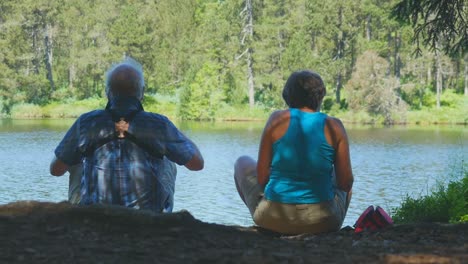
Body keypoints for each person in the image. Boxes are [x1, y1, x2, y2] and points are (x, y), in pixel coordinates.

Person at [50, 58, 204, 212]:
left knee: (76, 159)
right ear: (142, 93)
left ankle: (80, 212)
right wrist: (175, 133)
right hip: (146, 219)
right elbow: (197, 163)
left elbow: (55, 169)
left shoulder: (86, 122)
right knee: (168, 159)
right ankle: (162, 214)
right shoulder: (159, 125)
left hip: (97, 218)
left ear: (107, 93)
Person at [234, 70, 353, 235]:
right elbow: (346, 184)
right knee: (340, 173)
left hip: (273, 218)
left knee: (242, 162)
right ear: (320, 97)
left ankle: (262, 218)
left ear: (288, 97)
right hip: (323, 222)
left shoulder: (277, 119)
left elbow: (262, 178)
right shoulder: (335, 126)